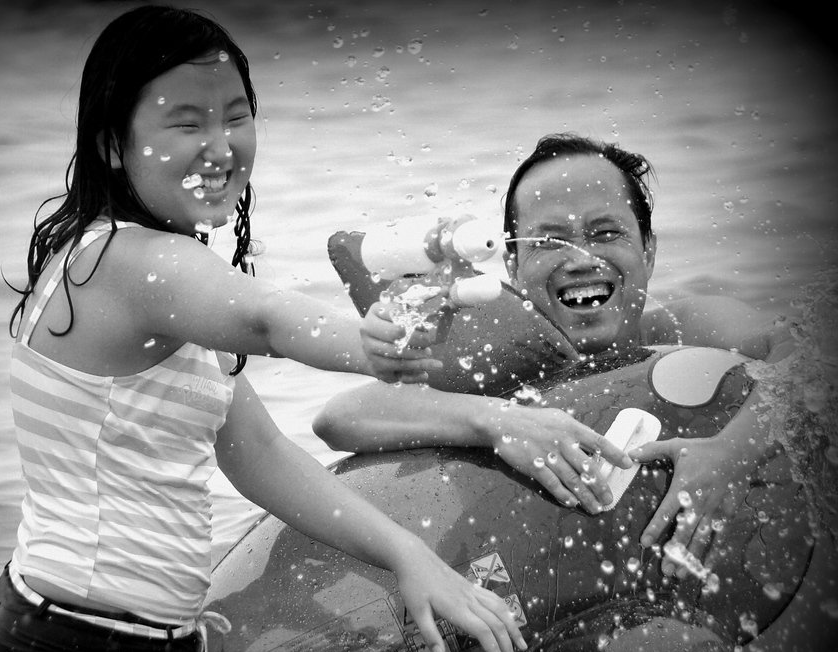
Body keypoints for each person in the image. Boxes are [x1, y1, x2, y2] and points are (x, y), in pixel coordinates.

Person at [0, 5, 525, 652]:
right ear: (110, 143)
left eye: (237, 116)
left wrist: (408, 554)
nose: (220, 146)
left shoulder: (130, 272)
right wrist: (369, 344)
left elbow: (258, 452)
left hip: (79, 635)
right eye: (185, 121)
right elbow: (267, 316)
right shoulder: (129, 267)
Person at [317, 132, 795, 584]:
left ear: (648, 252)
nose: (581, 258)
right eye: (548, 241)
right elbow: (339, 419)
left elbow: (809, 358)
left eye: (606, 233)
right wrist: (496, 421)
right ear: (512, 264)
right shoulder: (498, 368)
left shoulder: (686, 329)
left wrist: (735, 452)